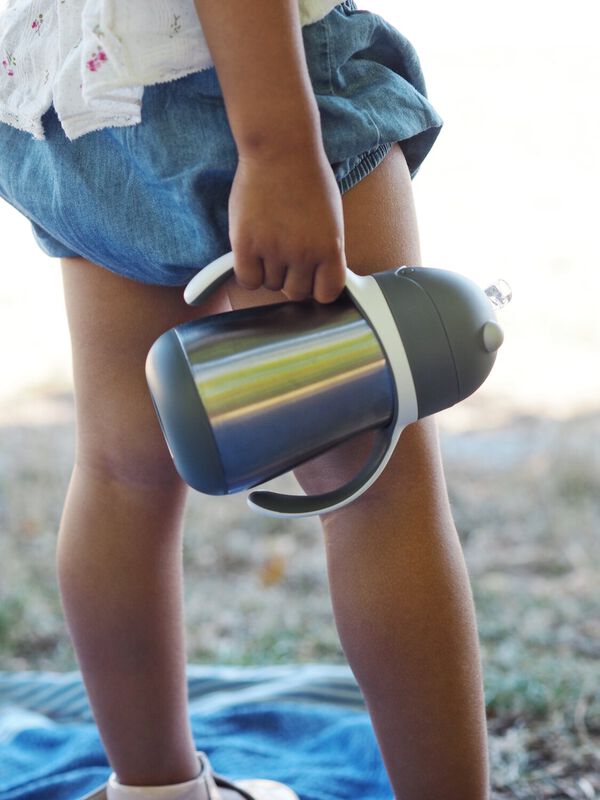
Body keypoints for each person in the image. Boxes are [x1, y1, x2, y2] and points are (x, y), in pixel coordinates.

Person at [0, 1, 489, 798]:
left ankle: (155, 788)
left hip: (73, 88)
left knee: (123, 473)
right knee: (375, 487)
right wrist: (281, 148)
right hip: (246, 82)